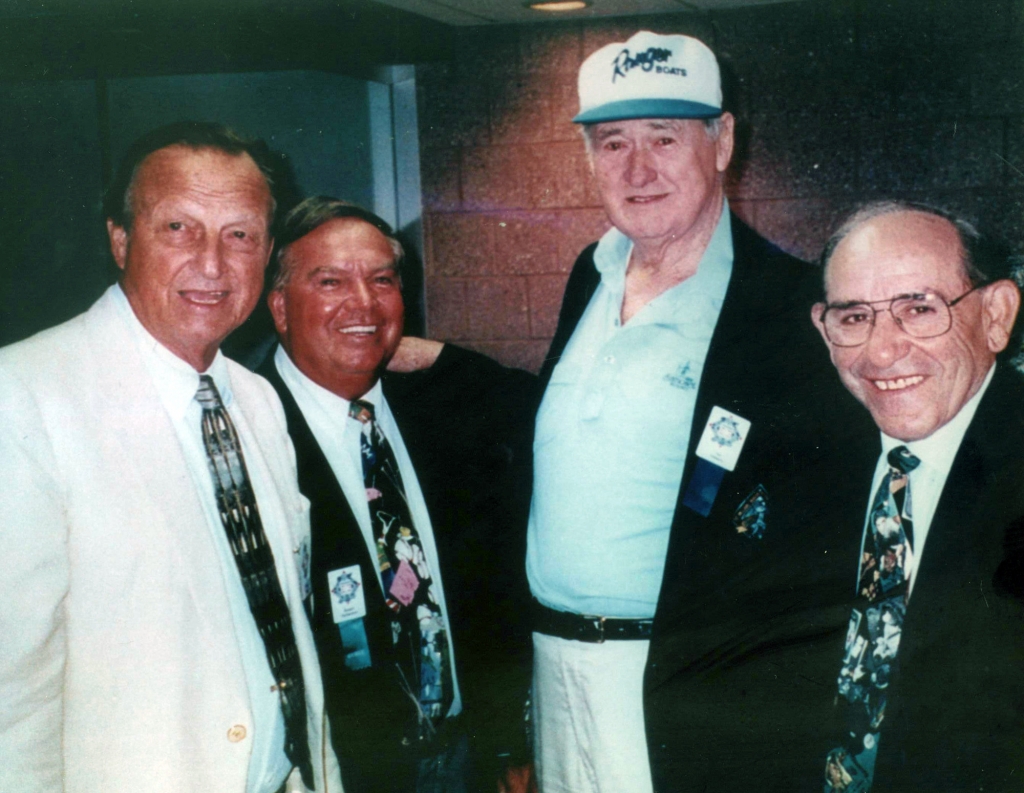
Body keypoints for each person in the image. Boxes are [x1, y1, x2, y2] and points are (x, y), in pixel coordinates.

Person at [526, 30, 875, 792]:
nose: (637, 168)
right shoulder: (589, 277)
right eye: (613, 142)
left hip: (687, 682)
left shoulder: (789, 306)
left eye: (664, 137)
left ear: (721, 142)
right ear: (588, 158)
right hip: (557, 676)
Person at [0, 122, 340, 793]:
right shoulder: (27, 396)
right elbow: (11, 687)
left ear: (268, 251)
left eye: (239, 234)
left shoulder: (258, 400)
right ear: (121, 240)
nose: (212, 264)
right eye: (178, 228)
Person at [256, 197, 536, 793]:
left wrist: (507, 736)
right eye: (330, 281)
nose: (363, 302)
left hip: (467, 758)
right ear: (279, 305)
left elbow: (547, 412)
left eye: (382, 280)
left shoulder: (438, 415)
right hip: (340, 772)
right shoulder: (248, 428)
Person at [811, 201, 1024, 792]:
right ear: (823, 331)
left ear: (996, 315)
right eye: (854, 318)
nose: (881, 352)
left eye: (918, 309)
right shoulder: (808, 468)